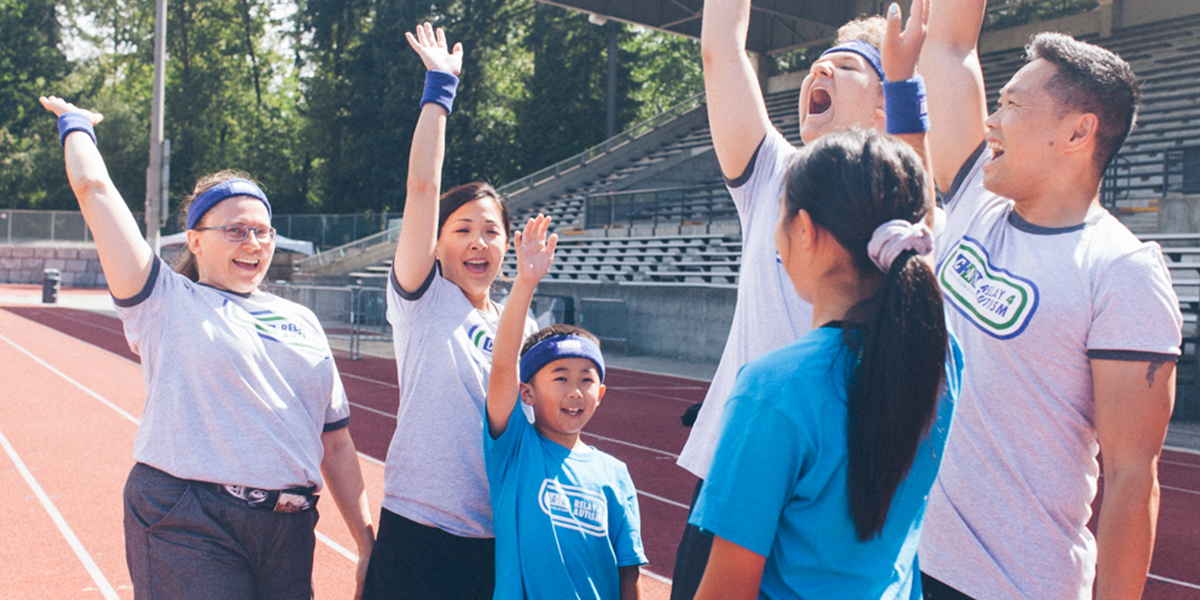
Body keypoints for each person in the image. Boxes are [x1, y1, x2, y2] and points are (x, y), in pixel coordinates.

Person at [39, 96, 376, 599]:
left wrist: (366, 545)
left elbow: (336, 444)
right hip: (189, 519)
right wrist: (76, 127)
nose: (254, 242)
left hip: (289, 530)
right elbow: (94, 190)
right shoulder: (165, 300)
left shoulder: (302, 321)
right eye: (236, 230)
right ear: (195, 240)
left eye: (263, 232)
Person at [915, 0, 1183, 597]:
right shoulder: (974, 204)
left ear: (1078, 131)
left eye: (1012, 105)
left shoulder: (1121, 271)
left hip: (1016, 585)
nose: (992, 121)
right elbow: (949, 46)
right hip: (909, 562)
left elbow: (1132, 477)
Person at [672, 0, 932, 595]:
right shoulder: (773, 171)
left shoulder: (900, 207)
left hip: (839, 491)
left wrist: (905, 77)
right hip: (742, 473)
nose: (820, 71)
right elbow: (720, 51)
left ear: (880, 102)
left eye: (844, 65)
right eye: (817, 62)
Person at [690, 126, 960, 599]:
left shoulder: (773, 389)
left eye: (780, 216)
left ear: (805, 231)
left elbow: (725, 590)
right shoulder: (943, 359)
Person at [362, 23, 537, 599]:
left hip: (496, 534)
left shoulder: (521, 325)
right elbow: (421, 185)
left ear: (508, 245)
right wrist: (441, 89)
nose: (478, 242)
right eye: (462, 229)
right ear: (437, 243)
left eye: (491, 231)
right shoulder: (422, 298)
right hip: (418, 523)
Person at [484, 213, 648, 600]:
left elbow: (629, 575)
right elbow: (504, 366)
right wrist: (525, 282)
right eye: (560, 378)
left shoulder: (616, 475)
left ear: (601, 393)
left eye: (586, 380)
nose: (575, 390)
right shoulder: (514, 450)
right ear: (527, 392)